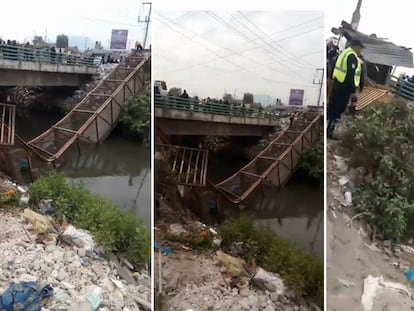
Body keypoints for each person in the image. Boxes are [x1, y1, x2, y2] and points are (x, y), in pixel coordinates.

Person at [327, 38, 365, 139]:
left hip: (337, 84)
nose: (361, 51)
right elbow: (350, 74)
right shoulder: (352, 56)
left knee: (333, 108)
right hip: (344, 87)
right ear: (357, 47)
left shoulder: (344, 53)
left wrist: (330, 79)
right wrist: (353, 91)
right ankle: (331, 131)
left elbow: (334, 67)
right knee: (339, 109)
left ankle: (329, 129)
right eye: (361, 49)